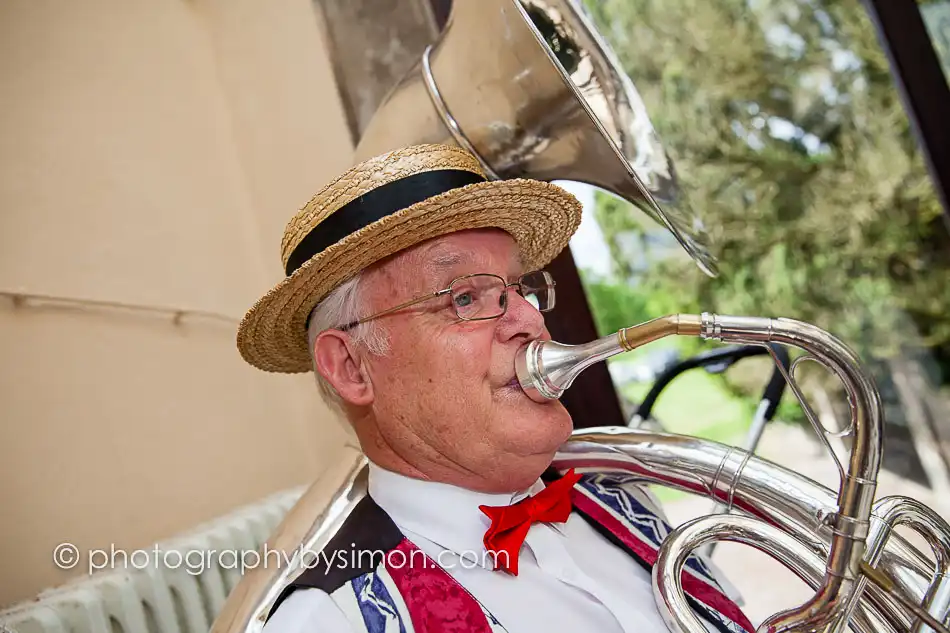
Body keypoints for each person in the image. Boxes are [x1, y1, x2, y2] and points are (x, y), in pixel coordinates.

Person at [237, 144, 751, 633]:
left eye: (520, 288)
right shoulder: (332, 622)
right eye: (463, 297)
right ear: (351, 366)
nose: (530, 318)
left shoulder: (622, 504)